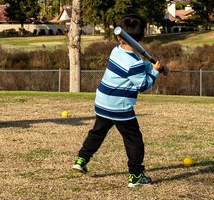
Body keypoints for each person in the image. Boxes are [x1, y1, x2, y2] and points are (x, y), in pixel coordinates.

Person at [71, 15, 168, 187]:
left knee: (97, 132)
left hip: (102, 103)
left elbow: (135, 68)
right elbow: (143, 85)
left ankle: (81, 159)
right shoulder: (134, 63)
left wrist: (152, 67)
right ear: (143, 36)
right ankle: (136, 175)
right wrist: (155, 72)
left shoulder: (116, 51)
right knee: (134, 140)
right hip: (120, 108)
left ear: (119, 37)